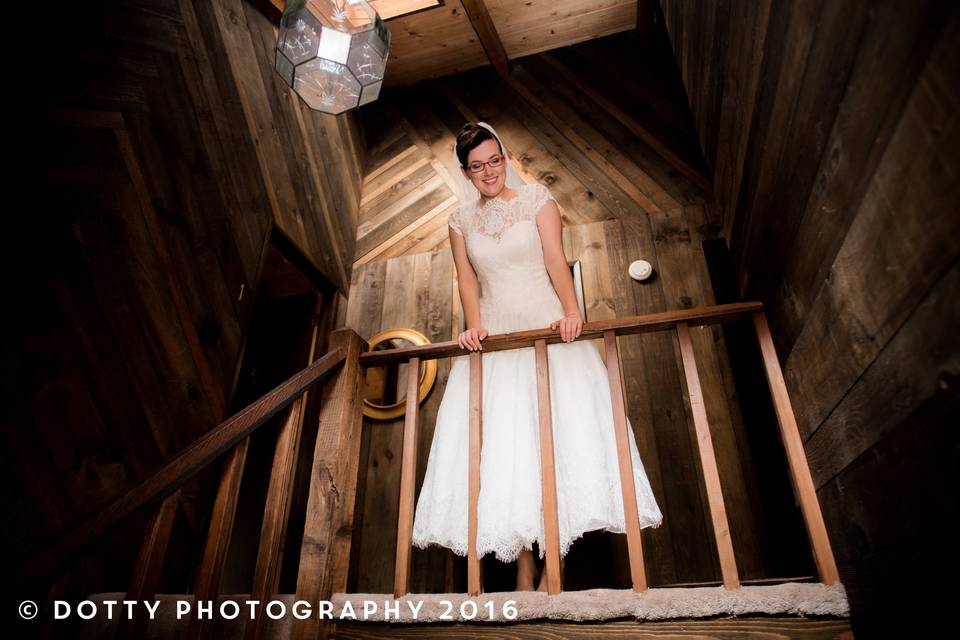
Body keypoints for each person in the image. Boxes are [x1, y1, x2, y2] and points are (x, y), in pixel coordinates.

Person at [411, 122, 663, 592]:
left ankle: (557, 566)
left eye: (494, 160)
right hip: (497, 338)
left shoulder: (537, 200)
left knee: (556, 442)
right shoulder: (459, 220)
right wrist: (473, 325)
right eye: (477, 166)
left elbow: (553, 259)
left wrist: (572, 312)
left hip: (545, 326)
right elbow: (467, 279)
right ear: (465, 173)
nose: (488, 171)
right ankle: (524, 568)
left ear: (504, 158)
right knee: (506, 453)